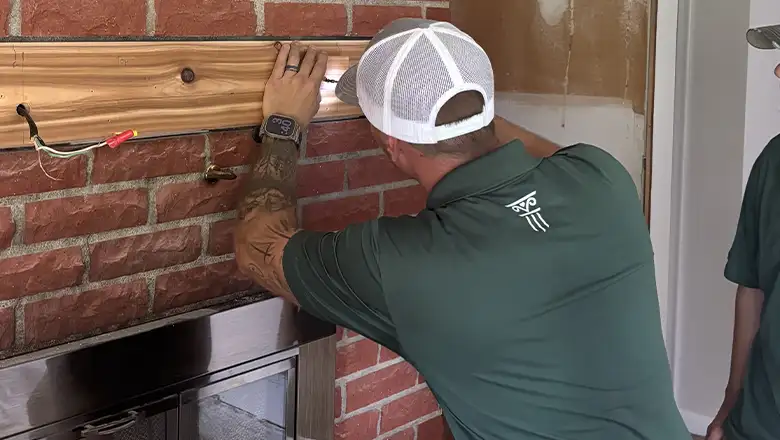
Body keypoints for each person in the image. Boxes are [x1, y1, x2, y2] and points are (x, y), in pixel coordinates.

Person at [234, 18, 689, 440]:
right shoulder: (601, 178)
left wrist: (283, 123)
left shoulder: (403, 264)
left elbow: (256, 247)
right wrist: (461, 107)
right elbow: (531, 153)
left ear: (391, 145)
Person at [706, 24, 780, 440]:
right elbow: (751, 288)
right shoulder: (773, 161)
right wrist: (731, 402)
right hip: (759, 420)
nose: (777, 73)